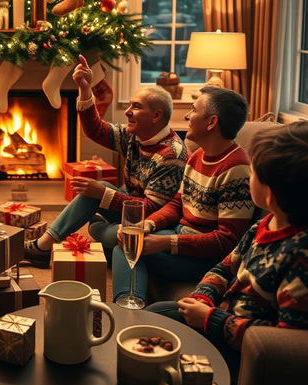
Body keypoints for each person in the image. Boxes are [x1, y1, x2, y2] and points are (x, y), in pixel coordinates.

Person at [147, 121, 308, 382]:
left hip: (242, 353)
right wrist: (203, 297)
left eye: (253, 173)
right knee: (152, 316)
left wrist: (211, 320)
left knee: (157, 352)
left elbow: (282, 345)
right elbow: (225, 267)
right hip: (219, 316)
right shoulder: (263, 224)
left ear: (270, 195)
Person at [24, 54, 187, 268]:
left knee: (101, 224)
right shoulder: (135, 135)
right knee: (96, 213)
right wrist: (85, 88)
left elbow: (152, 209)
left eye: (136, 107)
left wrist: (102, 195)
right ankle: (47, 245)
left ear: (156, 116)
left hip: (152, 223)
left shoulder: (171, 155)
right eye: (129, 105)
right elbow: (96, 130)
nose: (128, 111)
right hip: (129, 207)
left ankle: (53, 247)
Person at [111, 86, 255, 304]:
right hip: (179, 235)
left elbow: (227, 241)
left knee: (126, 249)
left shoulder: (236, 169)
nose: (187, 116)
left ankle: (127, 309)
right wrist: (147, 225)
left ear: (211, 122)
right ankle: (127, 303)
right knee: (131, 239)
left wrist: (167, 242)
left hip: (203, 259)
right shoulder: (198, 156)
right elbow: (177, 204)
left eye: (194, 110)